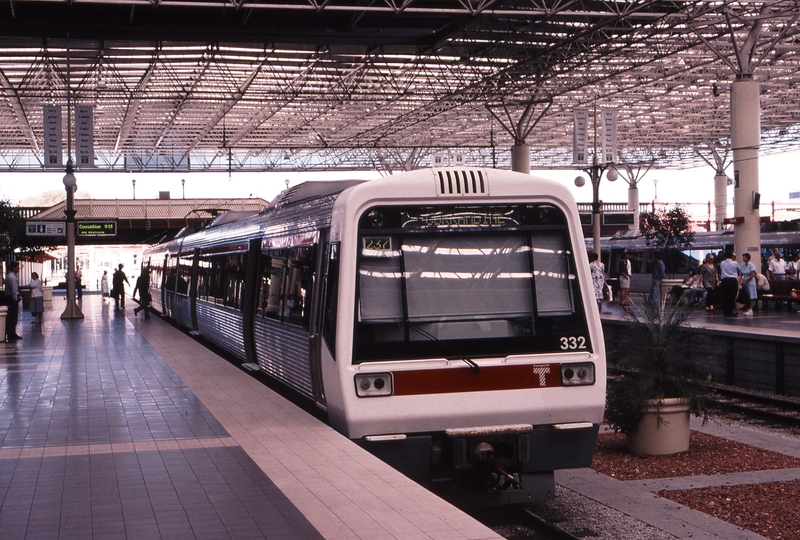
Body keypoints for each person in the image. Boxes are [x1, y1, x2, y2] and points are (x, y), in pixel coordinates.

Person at [4, 262, 22, 341]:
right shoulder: (13, 277)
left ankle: (9, 332)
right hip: (12, 299)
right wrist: (16, 299)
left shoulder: (8, 276)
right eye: (17, 267)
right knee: (13, 316)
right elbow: (14, 289)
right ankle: (12, 332)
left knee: (9, 316)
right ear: (13, 268)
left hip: (8, 297)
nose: (18, 269)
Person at [719, 252, 742, 317]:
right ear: (732, 256)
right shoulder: (735, 263)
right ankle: (730, 311)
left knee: (726, 296)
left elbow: (721, 271)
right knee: (732, 297)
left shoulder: (722, 263)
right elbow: (740, 270)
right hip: (732, 281)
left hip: (725, 281)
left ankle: (725, 311)